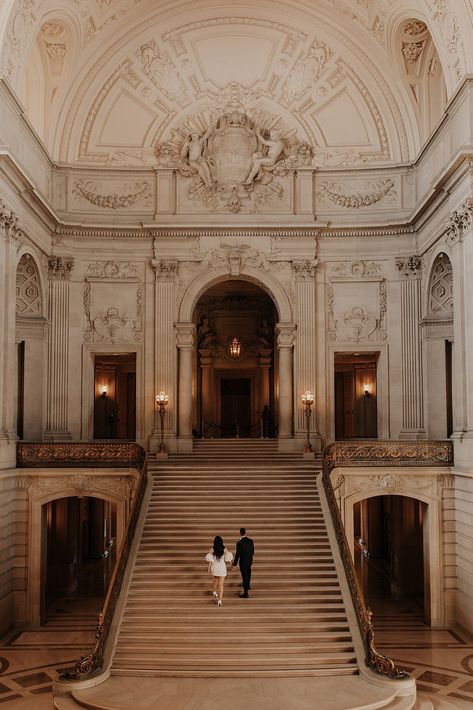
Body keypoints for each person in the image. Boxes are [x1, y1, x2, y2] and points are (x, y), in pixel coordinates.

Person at [205, 535, 233, 607]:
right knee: (221, 584)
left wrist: (208, 568)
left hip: (215, 567)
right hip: (222, 568)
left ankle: (214, 591)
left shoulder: (212, 549)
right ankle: (220, 600)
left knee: (215, 579)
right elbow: (228, 557)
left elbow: (210, 559)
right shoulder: (224, 548)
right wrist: (231, 564)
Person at [233, 527, 254, 598]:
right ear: (245, 533)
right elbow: (252, 551)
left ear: (240, 533)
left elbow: (237, 554)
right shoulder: (251, 541)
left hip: (243, 562)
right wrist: (250, 559)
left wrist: (234, 564)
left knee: (244, 576)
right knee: (248, 574)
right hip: (249, 561)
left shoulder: (239, 543)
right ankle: (247, 585)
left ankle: (246, 593)